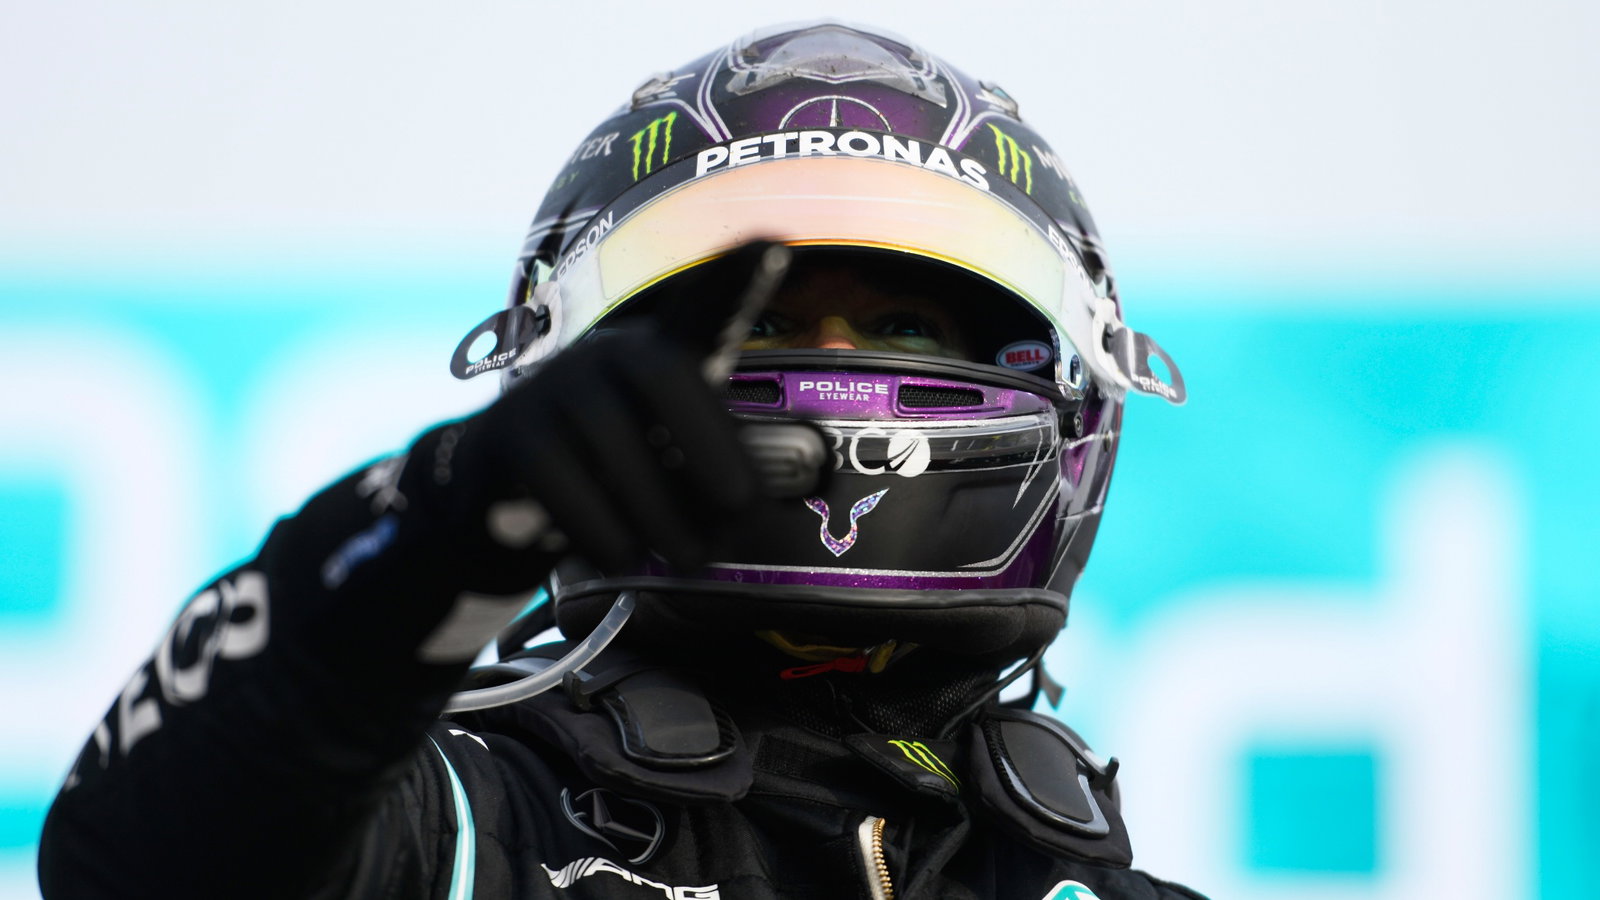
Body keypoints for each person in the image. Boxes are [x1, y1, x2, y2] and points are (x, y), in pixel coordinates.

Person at [37, 21, 1200, 900]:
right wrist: (429, 533)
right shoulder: (477, 829)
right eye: (766, 324)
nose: (831, 374)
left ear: (1073, 399)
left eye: (905, 331)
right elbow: (134, 859)